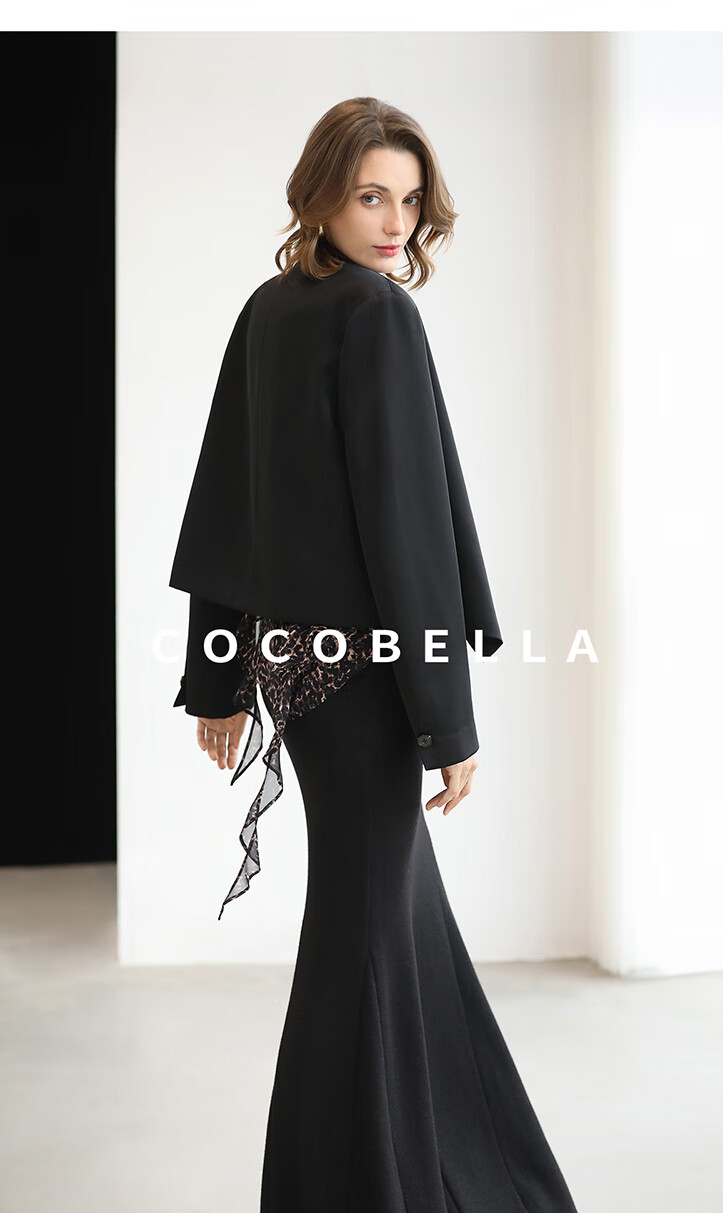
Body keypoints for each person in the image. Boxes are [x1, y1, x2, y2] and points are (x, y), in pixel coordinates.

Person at [170, 96, 579, 1213]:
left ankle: (453, 1170)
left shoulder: (270, 309)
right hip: (373, 676)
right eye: (370, 197)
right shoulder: (374, 314)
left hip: (297, 673)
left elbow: (224, 508)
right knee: (365, 928)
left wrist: (220, 676)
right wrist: (448, 721)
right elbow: (407, 531)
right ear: (320, 197)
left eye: (408, 200)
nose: (395, 222)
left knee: (397, 918)